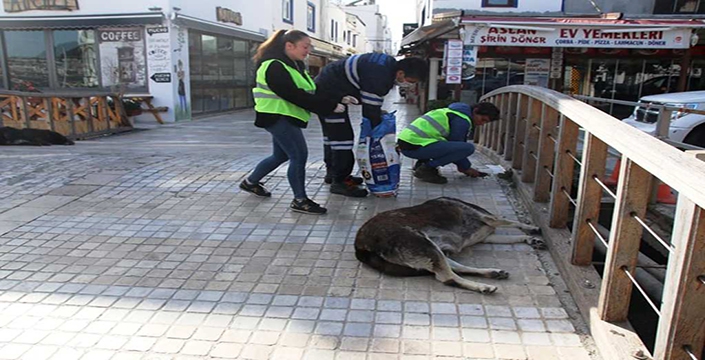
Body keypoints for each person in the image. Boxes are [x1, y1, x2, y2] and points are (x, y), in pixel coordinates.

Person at [240, 29, 344, 215]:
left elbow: (311, 90)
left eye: (309, 47)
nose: (308, 51)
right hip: (277, 117)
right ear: (289, 45)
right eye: (305, 46)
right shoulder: (274, 66)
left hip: (286, 116)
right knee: (298, 155)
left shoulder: (295, 65)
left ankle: (250, 182)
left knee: (281, 156)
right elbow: (294, 95)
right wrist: (328, 107)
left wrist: (339, 98)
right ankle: (300, 200)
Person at [314, 54, 429, 197]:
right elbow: (370, 111)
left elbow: (371, 106)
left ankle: (333, 174)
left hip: (329, 88)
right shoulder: (380, 76)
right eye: (410, 81)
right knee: (342, 140)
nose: (409, 84)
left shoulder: (387, 65)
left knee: (332, 137)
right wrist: (379, 136)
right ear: (401, 73)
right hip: (327, 94)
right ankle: (339, 182)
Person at [398, 102, 500, 184]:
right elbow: (457, 148)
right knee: (468, 148)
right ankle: (427, 168)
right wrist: (466, 168)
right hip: (414, 147)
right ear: (475, 111)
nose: (481, 124)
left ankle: (421, 164)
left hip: (408, 143)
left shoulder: (452, 111)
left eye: (485, 122)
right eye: (482, 119)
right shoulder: (462, 120)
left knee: (437, 141)